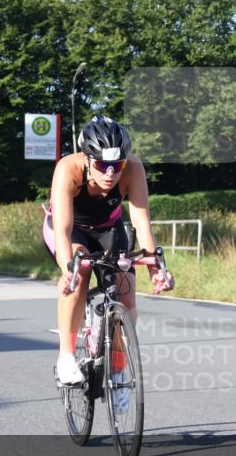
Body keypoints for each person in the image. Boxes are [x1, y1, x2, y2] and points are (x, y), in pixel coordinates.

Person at [45, 116, 175, 386]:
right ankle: (66, 356)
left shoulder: (133, 168)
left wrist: (156, 268)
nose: (110, 173)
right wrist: (66, 269)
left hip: (109, 229)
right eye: (103, 165)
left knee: (126, 296)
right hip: (71, 229)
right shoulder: (68, 169)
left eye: (117, 165)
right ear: (88, 159)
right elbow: (63, 230)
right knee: (79, 271)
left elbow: (141, 220)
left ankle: (118, 373)